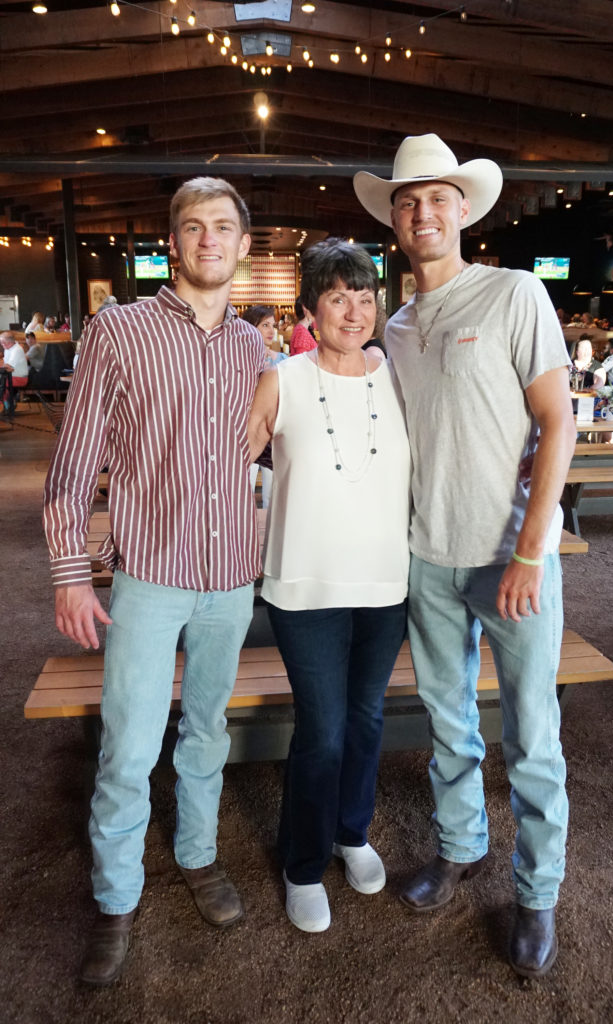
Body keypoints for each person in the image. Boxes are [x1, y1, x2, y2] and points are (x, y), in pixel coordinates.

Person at [354, 133, 576, 978]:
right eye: (407, 201)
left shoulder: (514, 295)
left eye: (436, 198)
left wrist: (529, 550)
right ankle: (458, 848)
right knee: (449, 726)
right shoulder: (397, 326)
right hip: (426, 558)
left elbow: (555, 424)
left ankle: (537, 889)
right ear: (396, 221)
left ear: (463, 211)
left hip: (508, 557)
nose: (422, 212)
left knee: (532, 735)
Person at [43, 176, 265, 987]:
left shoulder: (254, 349)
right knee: (129, 746)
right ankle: (115, 898)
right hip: (148, 575)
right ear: (172, 243)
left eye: (223, 228)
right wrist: (72, 576)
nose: (208, 240)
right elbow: (72, 469)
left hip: (232, 578)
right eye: (193, 227)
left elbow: (274, 454)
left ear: (243, 246)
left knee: (206, 732)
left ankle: (199, 856)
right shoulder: (119, 330)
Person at [247, 239, 411, 933]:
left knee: (366, 719)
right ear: (310, 309)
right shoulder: (280, 378)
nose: (353, 309)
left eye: (364, 295)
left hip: (385, 584)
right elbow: (225, 466)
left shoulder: (400, 375)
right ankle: (303, 862)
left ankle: (351, 832)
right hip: (303, 588)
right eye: (337, 296)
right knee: (323, 727)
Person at [241, 304, 287, 508]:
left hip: (274, 433)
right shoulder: (239, 360)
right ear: (251, 327)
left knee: (271, 494)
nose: (271, 331)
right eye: (265, 325)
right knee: (243, 489)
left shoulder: (284, 361)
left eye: (273, 325)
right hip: (246, 432)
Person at [1, 330, 29, 415]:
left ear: (8, 342)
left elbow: (8, 366)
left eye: (2, 342)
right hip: (11, 376)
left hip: (20, 378)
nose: (1, 344)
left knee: (1, 382)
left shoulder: (16, 350)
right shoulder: (8, 349)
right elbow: (5, 364)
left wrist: (3, 365)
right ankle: (7, 404)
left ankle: (7, 405)